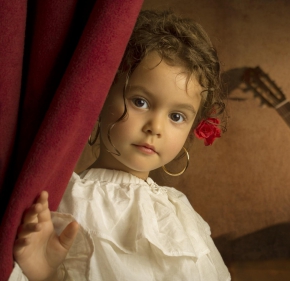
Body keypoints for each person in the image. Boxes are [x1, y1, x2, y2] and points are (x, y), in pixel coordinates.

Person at [9, 9, 230, 281]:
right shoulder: (70, 199)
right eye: (140, 102)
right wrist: (46, 273)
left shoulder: (180, 214)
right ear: (101, 98)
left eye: (176, 116)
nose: (155, 127)